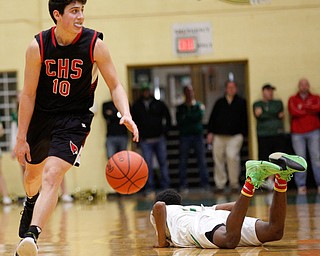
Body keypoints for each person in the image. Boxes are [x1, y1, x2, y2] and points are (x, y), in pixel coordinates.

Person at [13, 1, 139, 255]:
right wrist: (21, 136)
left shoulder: (95, 45)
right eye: (74, 11)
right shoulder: (37, 46)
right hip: (42, 116)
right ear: (57, 15)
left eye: (82, 9)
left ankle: (32, 236)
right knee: (32, 177)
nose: (81, 16)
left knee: (52, 175)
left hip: (74, 119)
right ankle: (30, 201)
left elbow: (115, 85)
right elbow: (27, 95)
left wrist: (125, 112)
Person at [150, 152, 307, 249]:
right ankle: (282, 177)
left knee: (229, 240)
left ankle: (251, 180)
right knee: (274, 231)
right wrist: (237, 215)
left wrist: (161, 241)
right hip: (215, 219)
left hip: (197, 227)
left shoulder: (169, 212)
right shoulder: (194, 209)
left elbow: (159, 206)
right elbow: (233, 206)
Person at [207, 80, 248, 193]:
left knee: (232, 157)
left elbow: (245, 119)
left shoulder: (241, 102)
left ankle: (234, 184)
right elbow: (212, 118)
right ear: (226, 89)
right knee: (218, 159)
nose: (231, 89)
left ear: (236, 89)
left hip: (235, 136)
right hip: (219, 136)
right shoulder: (219, 102)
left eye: (233, 87)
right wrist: (210, 132)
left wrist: (243, 134)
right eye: (229, 87)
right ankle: (220, 184)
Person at [132, 82, 171, 198]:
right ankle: (149, 188)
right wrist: (136, 139)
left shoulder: (159, 104)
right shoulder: (136, 105)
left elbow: (168, 117)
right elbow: (133, 122)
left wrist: (165, 132)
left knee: (163, 163)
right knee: (147, 165)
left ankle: (166, 187)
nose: (146, 92)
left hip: (159, 138)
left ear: (150, 91)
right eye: (144, 91)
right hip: (145, 140)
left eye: (147, 90)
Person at [288, 78, 320, 194]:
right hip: (298, 133)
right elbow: (294, 111)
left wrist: (304, 107)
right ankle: (301, 185)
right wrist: (309, 109)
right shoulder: (292, 99)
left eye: (306, 84)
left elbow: (318, 108)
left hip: (314, 132)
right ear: (298, 86)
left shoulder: (315, 97)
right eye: (301, 84)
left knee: (316, 158)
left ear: (309, 86)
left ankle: (319, 183)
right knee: (300, 160)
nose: (304, 86)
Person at [176, 84, 209, 192]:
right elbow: (180, 121)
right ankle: (183, 185)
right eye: (187, 91)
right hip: (185, 136)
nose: (189, 93)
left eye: (191, 91)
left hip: (197, 136)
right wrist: (190, 117)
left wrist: (188, 117)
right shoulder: (181, 107)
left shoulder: (199, 105)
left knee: (202, 160)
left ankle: (205, 184)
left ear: (193, 92)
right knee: (183, 161)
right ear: (184, 93)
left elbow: (198, 117)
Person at [253, 83, 285, 190]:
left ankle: (272, 180)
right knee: (264, 157)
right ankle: (265, 181)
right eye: (268, 90)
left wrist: (265, 114)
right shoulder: (257, 103)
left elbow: (279, 113)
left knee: (276, 158)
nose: (271, 93)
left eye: (272, 90)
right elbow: (258, 115)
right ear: (263, 92)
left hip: (276, 134)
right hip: (263, 135)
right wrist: (273, 114)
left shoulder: (277, 103)